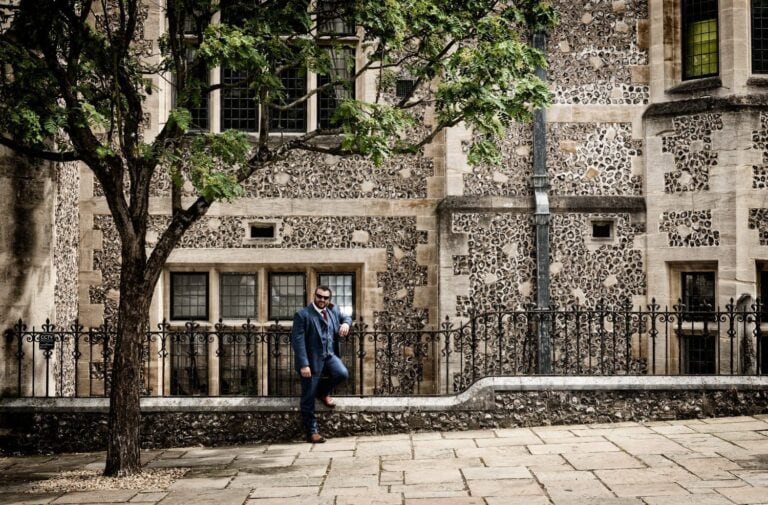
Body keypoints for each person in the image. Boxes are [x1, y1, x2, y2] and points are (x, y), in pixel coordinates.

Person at [291, 285, 351, 443]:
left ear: (329, 299)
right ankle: (312, 432)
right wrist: (304, 364)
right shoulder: (302, 315)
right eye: (319, 296)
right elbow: (298, 342)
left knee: (342, 374)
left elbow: (347, 317)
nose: (322, 300)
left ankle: (323, 393)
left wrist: (346, 324)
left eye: (325, 298)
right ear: (314, 295)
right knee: (308, 397)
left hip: (329, 355)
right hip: (311, 361)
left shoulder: (332, 311)